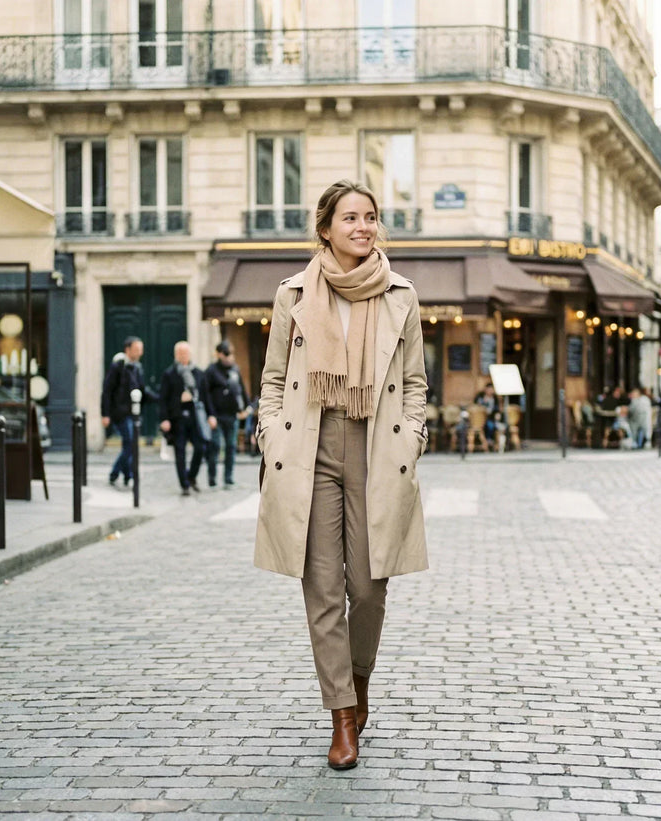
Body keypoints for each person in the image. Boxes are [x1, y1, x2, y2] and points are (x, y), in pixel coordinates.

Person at [254, 180, 428, 771]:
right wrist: (269, 432)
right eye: (350, 217)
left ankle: (359, 681)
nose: (362, 226)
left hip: (378, 445)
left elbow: (414, 383)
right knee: (324, 590)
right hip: (309, 446)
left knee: (371, 589)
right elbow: (273, 379)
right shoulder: (293, 294)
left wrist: (414, 434)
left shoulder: (401, 295)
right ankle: (341, 717)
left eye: (371, 217)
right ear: (325, 227)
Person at [159, 341, 216, 496]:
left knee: (200, 447)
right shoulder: (169, 374)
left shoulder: (199, 373)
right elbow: (163, 398)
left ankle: (191, 476)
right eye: (180, 353)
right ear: (176, 355)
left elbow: (206, 396)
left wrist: (211, 415)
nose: (183, 356)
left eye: (186, 353)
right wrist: (164, 418)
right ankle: (184, 484)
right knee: (180, 451)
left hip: (196, 417)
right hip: (177, 417)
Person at [100, 336, 153, 489]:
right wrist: (105, 414)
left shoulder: (137, 368)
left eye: (140, 350)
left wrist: (161, 398)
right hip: (120, 413)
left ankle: (125, 474)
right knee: (130, 443)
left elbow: (142, 390)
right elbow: (107, 391)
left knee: (129, 444)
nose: (139, 353)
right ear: (128, 350)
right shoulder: (118, 366)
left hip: (133, 412)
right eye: (137, 350)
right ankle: (119, 473)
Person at [204, 340, 250, 487]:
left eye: (230, 353)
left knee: (230, 446)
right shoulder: (211, 371)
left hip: (232, 414)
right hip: (217, 415)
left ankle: (228, 477)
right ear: (219, 354)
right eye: (226, 353)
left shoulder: (234, 369)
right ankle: (212, 478)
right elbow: (206, 395)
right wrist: (210, 414)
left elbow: (241, 390)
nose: (229, 357)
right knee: (215, 446)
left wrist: (246, 407)